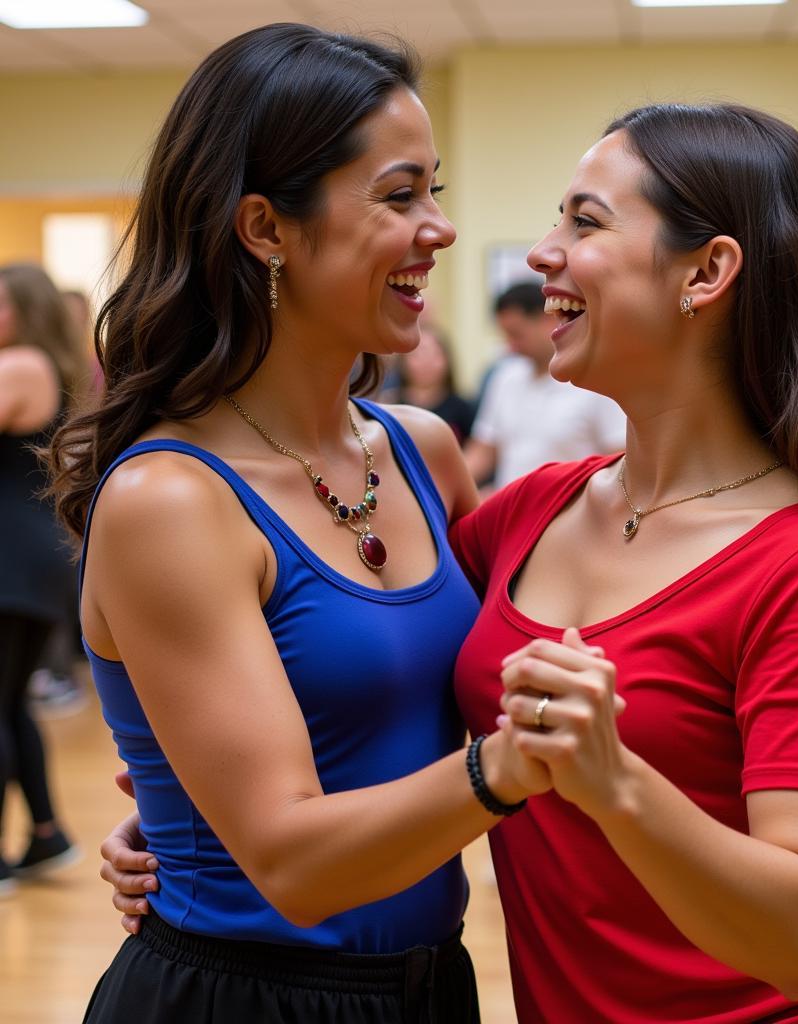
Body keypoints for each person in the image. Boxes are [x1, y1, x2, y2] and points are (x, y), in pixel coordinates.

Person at [106, 101, 798, 1023]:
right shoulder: (530, 513)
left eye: (584, 222)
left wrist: (613, 781)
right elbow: (369, 660)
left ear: (707, 272)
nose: (541, 253)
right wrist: (188, 803)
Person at [50, 24, 550, 1024]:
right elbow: (290, 856)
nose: (438, 230)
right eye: (399, 195)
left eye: (434, 192)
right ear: (265, 229)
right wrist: (510, 762)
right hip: (237, 999)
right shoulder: (172, 501)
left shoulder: (421, 452)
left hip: (427, 984)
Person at [0, 262, 85, 892]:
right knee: (9, 706)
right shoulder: (48, 366)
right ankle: (47, 833)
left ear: (25, 311)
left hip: (11, 558)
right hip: (32, 557)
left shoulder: (21, 364)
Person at [463, 281, 624, 489]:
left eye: (516, 334)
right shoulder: (505, 377)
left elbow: (619, 459)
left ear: (549, 320)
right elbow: (483, 451)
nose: (510, 345)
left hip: (570, 514)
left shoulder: (596, 381)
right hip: (512, 511)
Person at [394, 323, 476, 444]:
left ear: (447, 359)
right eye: (418, 354)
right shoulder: (389, 405)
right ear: (403, 361)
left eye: (434, 354)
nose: (426, 362)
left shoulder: (463, 409)